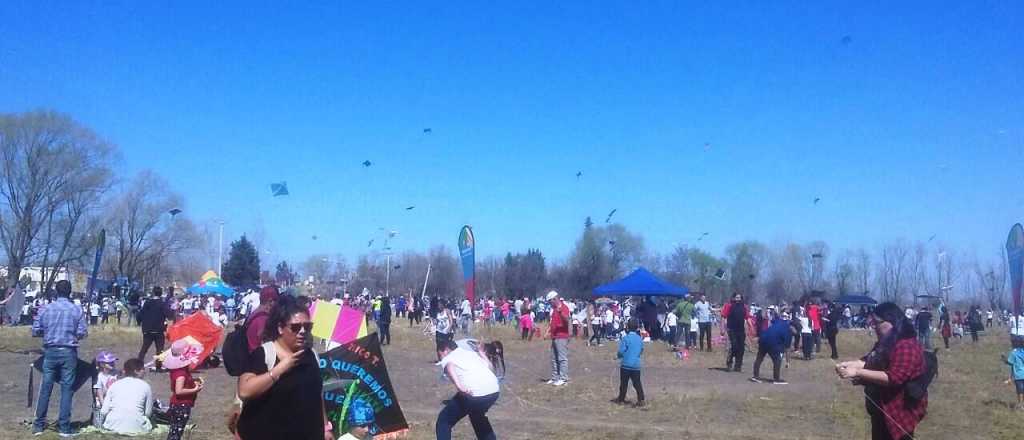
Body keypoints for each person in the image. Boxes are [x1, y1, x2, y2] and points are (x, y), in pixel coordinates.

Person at [237, 296, 333, 440]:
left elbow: (316, 395)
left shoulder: (311, 355)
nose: (302, 331)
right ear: (280, 328)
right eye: (295, 327)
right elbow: (244, 391)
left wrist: (325, 428)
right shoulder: (264, 354)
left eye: (307, 327)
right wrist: (280, 368)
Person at [836, 302, 927, 440]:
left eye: (876, 322)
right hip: (881, 408)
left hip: (899, 411)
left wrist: (858, 372)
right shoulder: (885, 342)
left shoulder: (907, 345)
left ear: (891, 321)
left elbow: (894, 378)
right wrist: (848, 365)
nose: (873, 326)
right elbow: (868, 361)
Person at [32, 279, 88, 436]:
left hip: (50, 351)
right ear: (70, 292)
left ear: (56, 291)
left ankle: (38, 425)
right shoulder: (76, 310)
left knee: (46, 388)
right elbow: (82, 332)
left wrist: (49, 333)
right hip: (68, 351)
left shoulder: (46, 308)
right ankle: (64, 427)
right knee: (67, 389)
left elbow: (35, 330)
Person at [436, 339, 501, 440]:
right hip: (494, 391)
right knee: (477, 416)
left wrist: (459, 387)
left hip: (474, 394)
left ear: (446, 350)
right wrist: (481, 353)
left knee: (443, 421)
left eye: (440, 355)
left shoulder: (449, 357)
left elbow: (449, 366)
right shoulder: (470, 353)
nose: (440, 358)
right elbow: (490, 368)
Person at [100, 358, 154, 434]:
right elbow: (148, 413)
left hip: (112, 426)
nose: (144, 372)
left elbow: (104, 411)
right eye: (143, 369)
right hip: (137, 428)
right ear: (136, 371)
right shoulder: (146, 386)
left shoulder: (115, 385)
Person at [164, 339, 204, 440]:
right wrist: (195, 389)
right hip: (180, 406)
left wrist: (193, 381)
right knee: (176, 433)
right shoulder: (181, 373)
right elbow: (179, 390)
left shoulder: (179, 370)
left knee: (175, 431)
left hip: (178, 405)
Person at [610, 318, 645, 407]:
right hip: (636, 366)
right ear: (637, 328)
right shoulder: (639, 339)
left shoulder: (626, 338)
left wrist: (618, 356)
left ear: (627, 327)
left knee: (623, 383)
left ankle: (621, 399)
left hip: (626, 365)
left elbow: (621, 351)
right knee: (637, 383)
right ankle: (641, 399)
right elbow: (641, 350)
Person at [751, 311, 792, 384]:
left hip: (763, 338)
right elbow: (787, 348)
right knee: (778, 359)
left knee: (759, 357)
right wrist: (788, 362)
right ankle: (776, 379)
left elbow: (773, 320)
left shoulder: (778, 321)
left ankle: (755, 376)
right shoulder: (788, 329)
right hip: (772, 342)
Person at [137, 286, 172, 370]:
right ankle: (158, 367)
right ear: (160, 293)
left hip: (147, 329)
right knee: (160, 349)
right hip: (158, 329)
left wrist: (139, 322)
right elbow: (169, 315)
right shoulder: (162, 303)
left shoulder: (147, 302)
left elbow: (140, 314)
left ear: (153, 292)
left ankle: (138, 365)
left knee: (144, 348)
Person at [721, 293, 752, 372]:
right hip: (732, 329)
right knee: (734, 346)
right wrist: (722, 328)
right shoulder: (729, 305)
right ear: (733, 298)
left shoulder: (744, 307)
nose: (738, 299)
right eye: (736, 297)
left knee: (741, 348)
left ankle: (738, 365)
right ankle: (729, 362)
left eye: (739, 297)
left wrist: (751, 327)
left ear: (741, 298)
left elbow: (747, 318)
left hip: (741, 330)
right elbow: (723, 317)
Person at [546, 291, 571, 386]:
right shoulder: (554, 309)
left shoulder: (564, 307)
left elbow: (567, 320)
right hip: (554, 336)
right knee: (553, 358)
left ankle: (563, 378)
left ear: (555, 299)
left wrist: (561, 312)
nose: (550, 304)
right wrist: (548, 332)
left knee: (562, 358)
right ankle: (555, 377)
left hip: (562, 336)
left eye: (550, 301)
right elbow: (552, 322)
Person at [93, 351, 119, 428]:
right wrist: (103, 403)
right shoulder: (99, 376)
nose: (112, 364)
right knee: (100, 412)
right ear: (102, 364)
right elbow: (98, 392)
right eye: (109, 363)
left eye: (113, 362)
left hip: (115, 399)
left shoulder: (116, 373)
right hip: (103, 400)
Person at [1005, 338, 1024, 410]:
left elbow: (1010, 362)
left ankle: (1021, 405)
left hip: (1018, 375)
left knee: (1020, 391)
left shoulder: (1014, 352)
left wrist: (1004, 360)